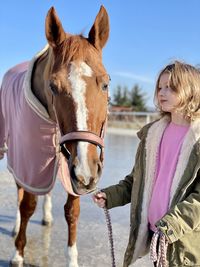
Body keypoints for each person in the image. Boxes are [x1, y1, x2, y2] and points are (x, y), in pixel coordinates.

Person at [93, 61, 200, 267]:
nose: (162, 92)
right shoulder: (152, 135)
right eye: (160, 87)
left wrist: (172, 224)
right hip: (156, 234)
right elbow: (137, 181)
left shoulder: (197, 141)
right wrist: (111, 196)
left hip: (183, 243)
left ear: (191, 90)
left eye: (171, 87)